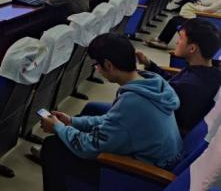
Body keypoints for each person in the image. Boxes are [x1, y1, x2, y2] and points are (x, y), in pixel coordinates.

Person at [39, 33, 182, 191]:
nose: (96, 70)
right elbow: (112, 120)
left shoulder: (133, 102)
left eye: (96, 65)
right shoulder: (151, 81)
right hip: (155, 160)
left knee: (53, 148)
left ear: (108, 65)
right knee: (71, 130)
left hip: (142, 177)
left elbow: (88, 147)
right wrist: (71, 122)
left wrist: (58, 128)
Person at [136, 18, 221, 135]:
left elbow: (159, 107)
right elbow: (170, 83)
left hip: (161, 132)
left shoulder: (189, 86)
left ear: (192, 48)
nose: (176, 42)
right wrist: (149, 64)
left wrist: (129, 77)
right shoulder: (210, 72)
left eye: (180, 38)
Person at [146, 0, 221, 49]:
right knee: (175, 19)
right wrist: (201, 2)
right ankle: (162, 40)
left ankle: (163, 41)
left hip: (208, 20)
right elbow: (211, 1)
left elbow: (211, 9)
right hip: (204, 17)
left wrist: (198, 7)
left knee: (176, 21)